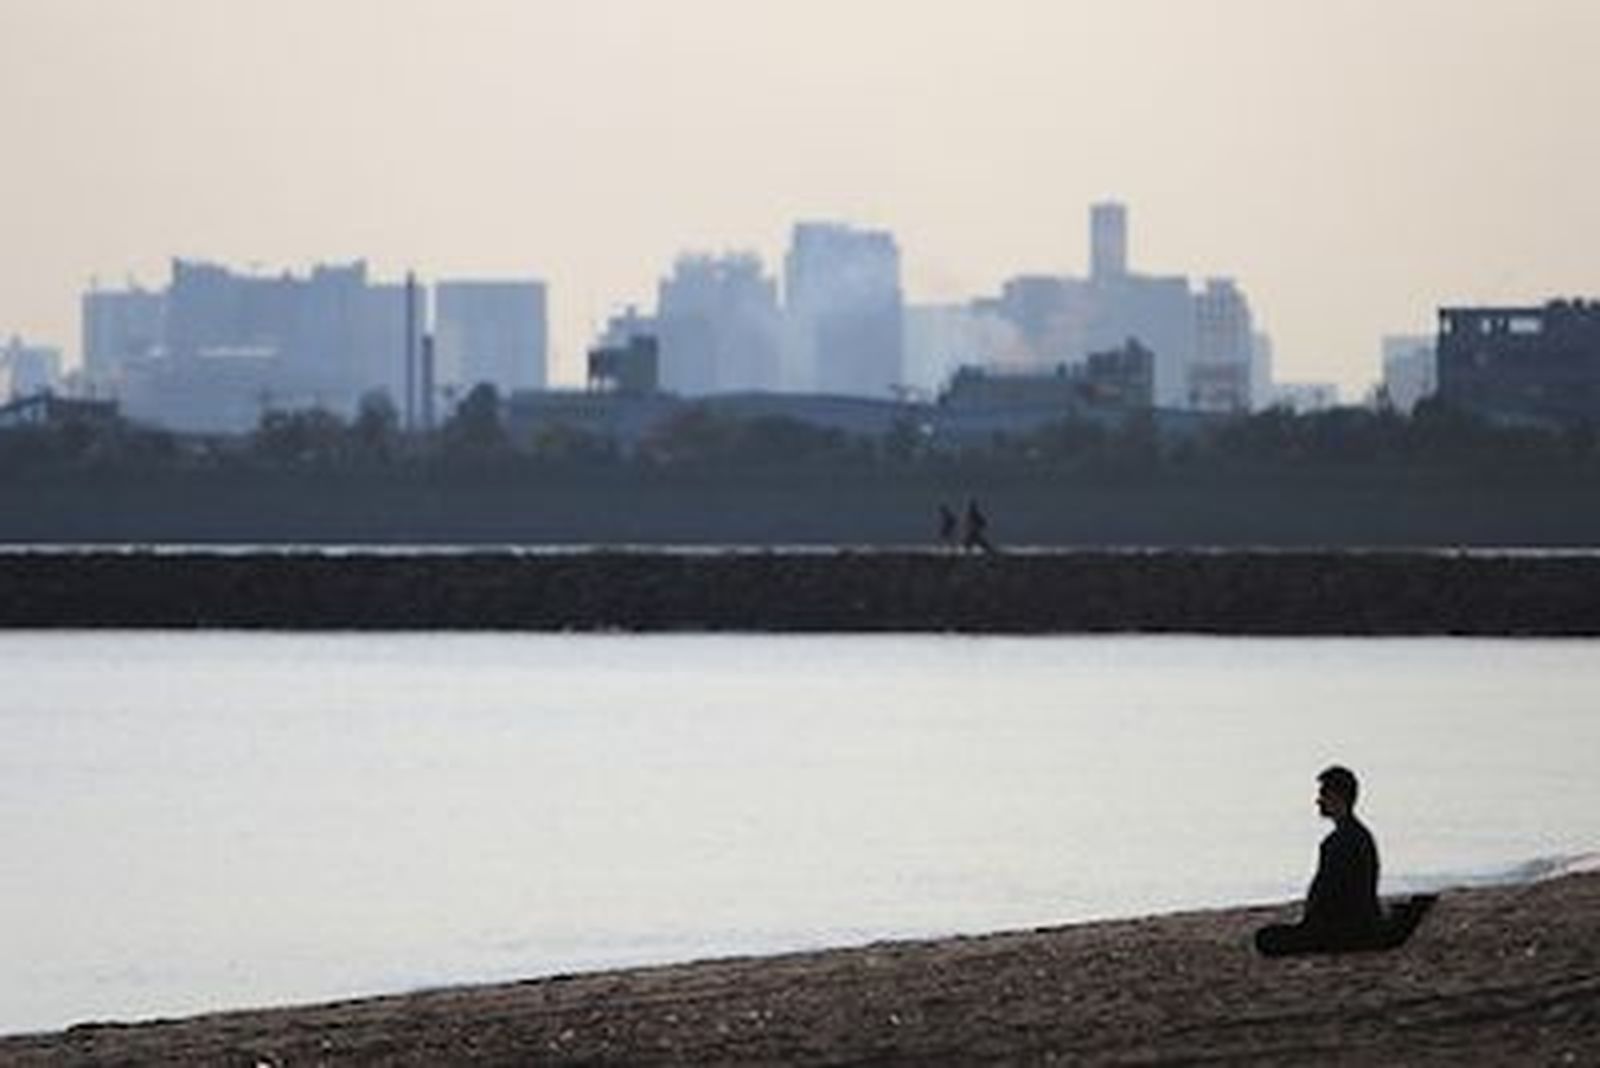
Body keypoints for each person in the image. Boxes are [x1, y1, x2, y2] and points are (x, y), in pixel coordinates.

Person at [1255, 765, 1435, 957]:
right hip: (1360, 924)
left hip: (1342, 930)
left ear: (1338, 798)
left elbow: (1329, 894)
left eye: (1323, 794)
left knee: (1266, 938)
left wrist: (1311, 924)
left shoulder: (1339, 841)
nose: (1318, 801)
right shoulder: (1360, 835)